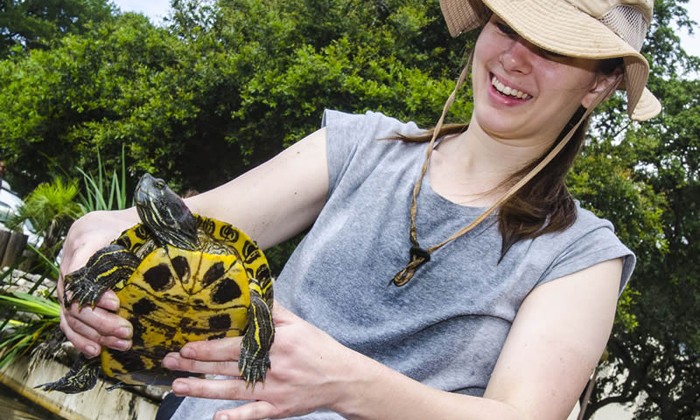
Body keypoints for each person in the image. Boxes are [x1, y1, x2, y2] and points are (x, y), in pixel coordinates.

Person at [57, 0, 661, 418]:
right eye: (508, 26)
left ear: (598, 86)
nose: (515, 58)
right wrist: (89, 242)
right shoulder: (358, 147)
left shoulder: (581, 256)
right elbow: (174, 223)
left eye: (553, 47)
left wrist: (347, 382)